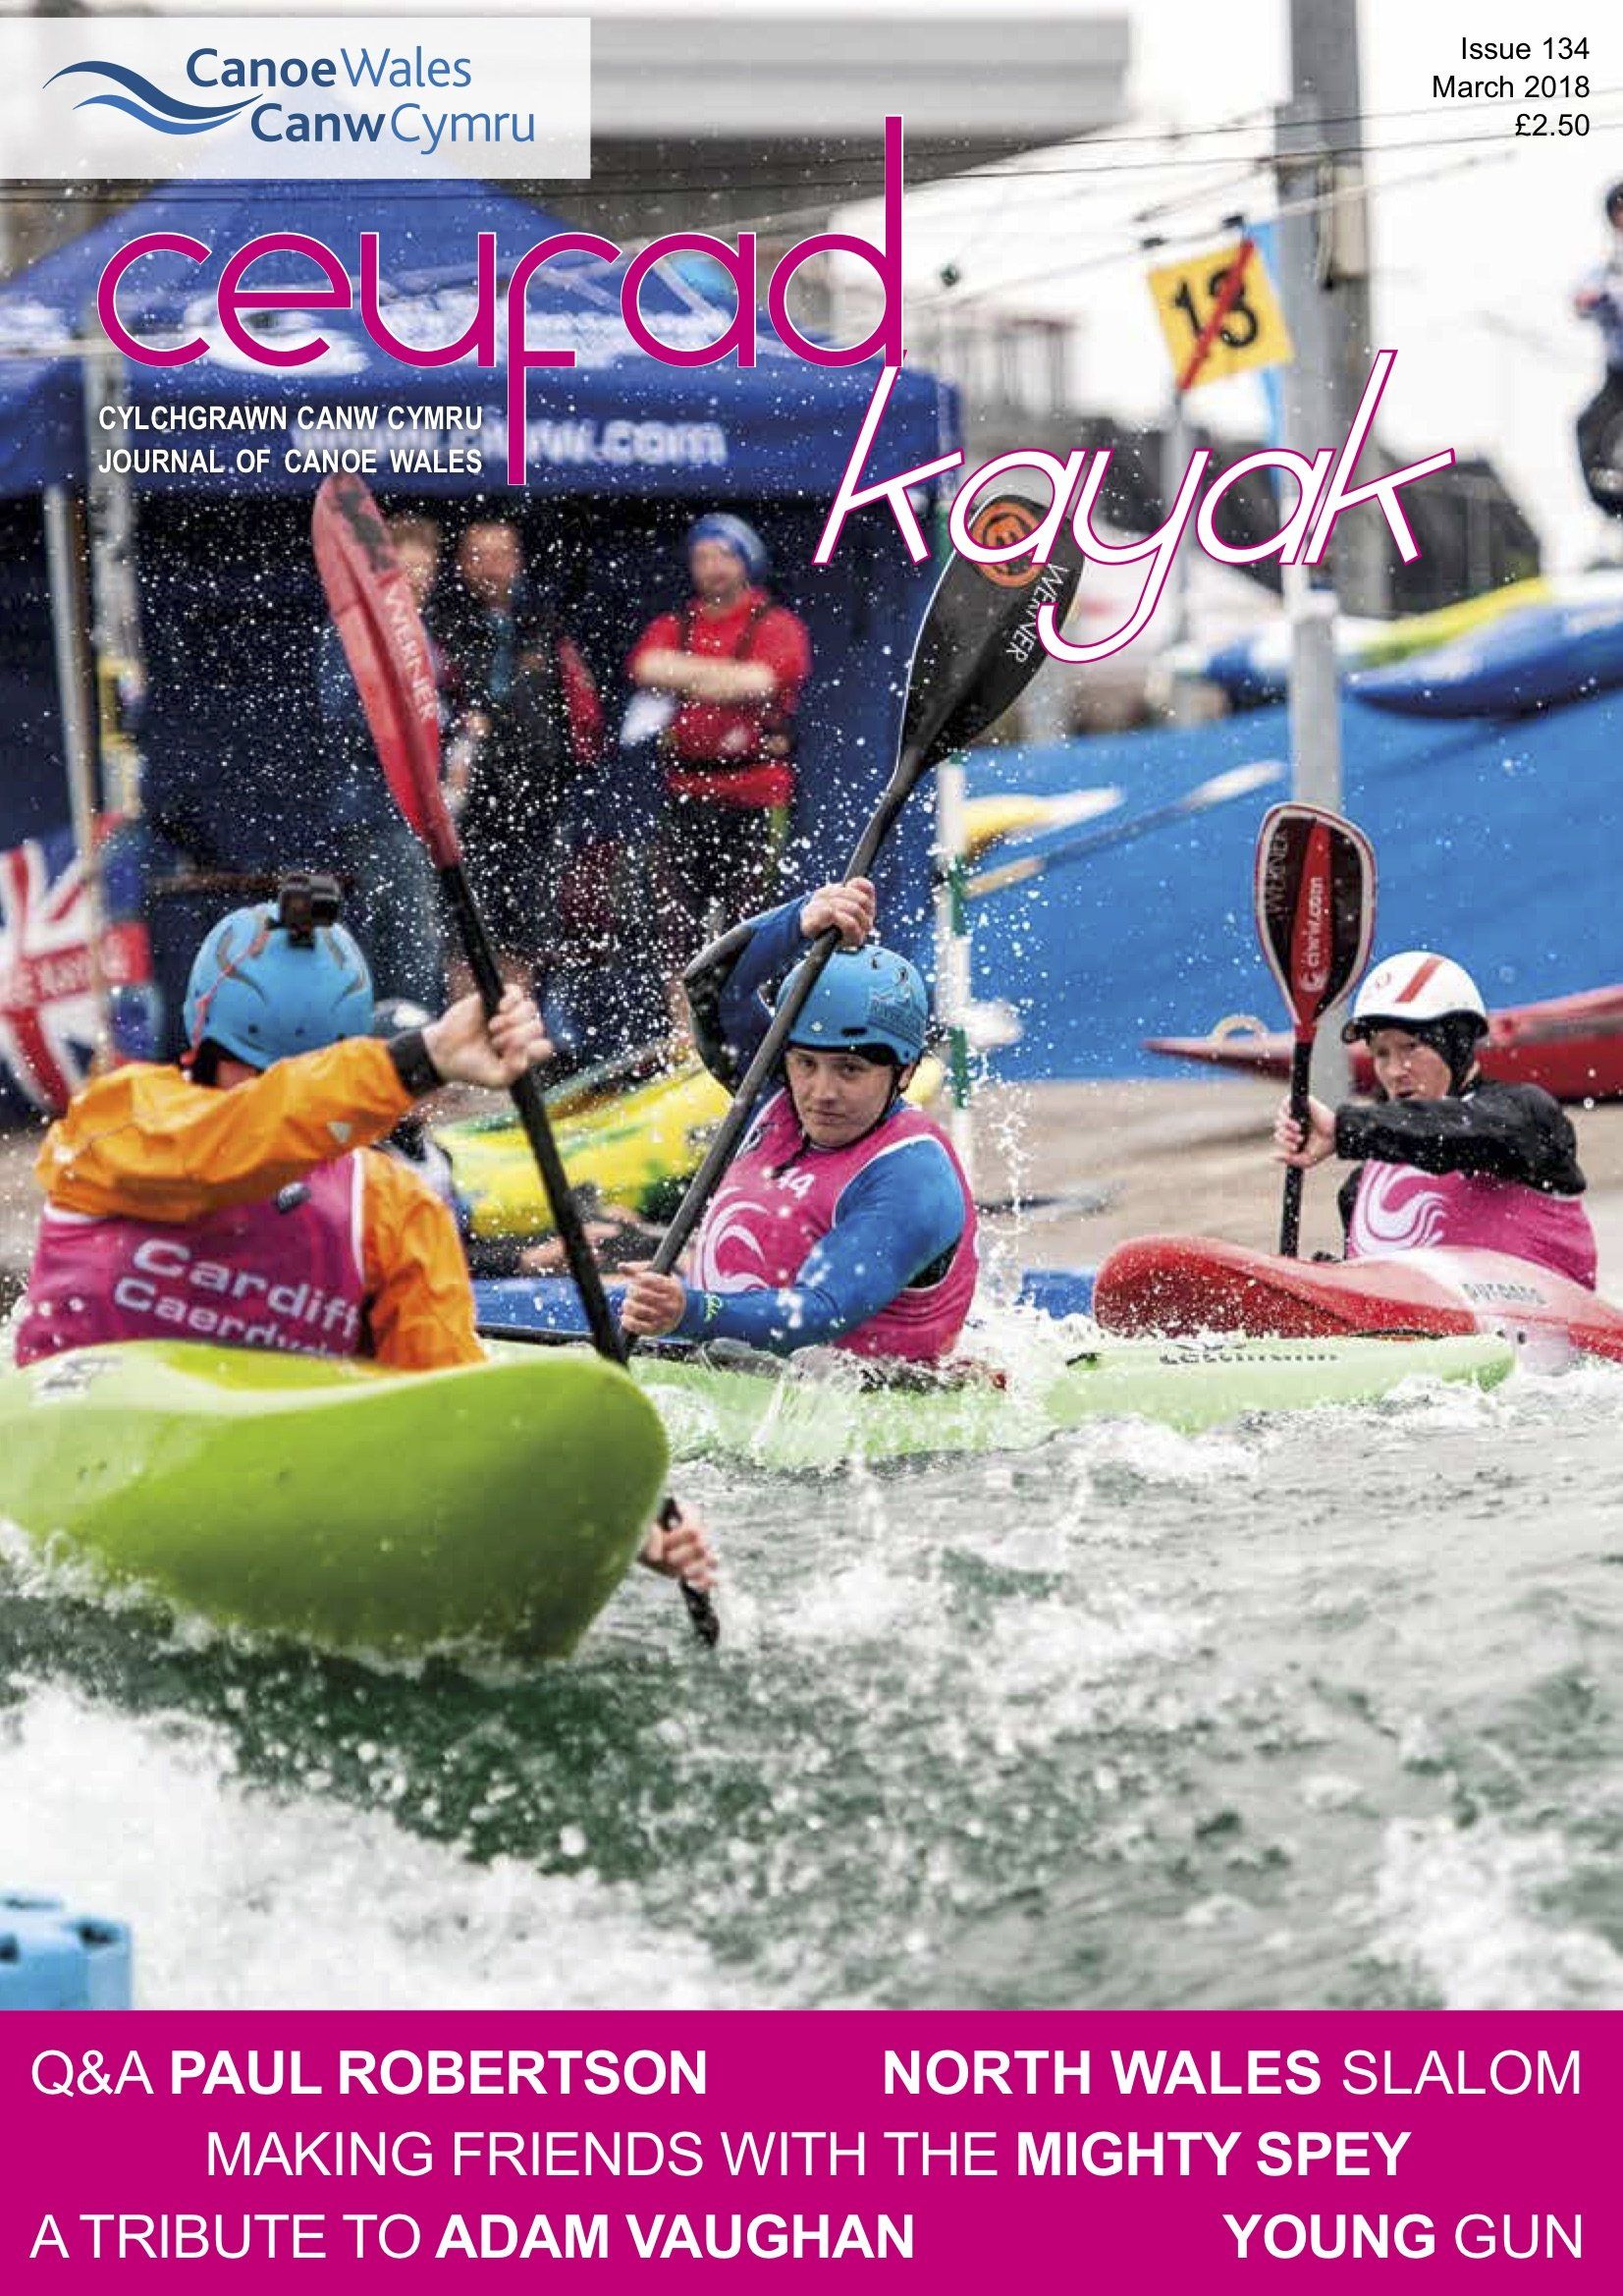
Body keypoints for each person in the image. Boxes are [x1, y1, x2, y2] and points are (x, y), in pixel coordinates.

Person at [15, 874, 713, 1592]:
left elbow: (450, 1410)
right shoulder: (121, 1119)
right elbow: (231, 1146)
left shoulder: (392, 1208)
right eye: (242, 1073)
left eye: (287, 1075)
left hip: (264, 1489)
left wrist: (598, 1516)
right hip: (77, 1439)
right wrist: (422, 1059)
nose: (258, 1094)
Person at [620, 877, 978, 1360]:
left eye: (850, 1070)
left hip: (861, 1412)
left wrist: (690, 1312)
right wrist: (799, 919)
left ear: (905, 1071)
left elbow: (821, 1311)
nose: (821, 1093)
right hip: (743, 1376)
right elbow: (710, 989)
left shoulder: (910, 1172)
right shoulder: (773, 1092)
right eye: (806, 1063)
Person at [1271, 949, 1596, 1289]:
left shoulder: (1526, 1118)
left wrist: (1345, 1128)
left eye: (1410, 1047)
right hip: (1413, 1336)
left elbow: (1460, 1132)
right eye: (1381, 1053)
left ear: (1457, 1043)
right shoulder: (1359, 1190)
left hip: (1540, 1334)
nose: (1395, 1071)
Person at [627, 514, 812, 957]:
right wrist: (722, 680)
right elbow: (645, 668)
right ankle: (683, 1024)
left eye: (723, 555)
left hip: (756, 793)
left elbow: (759, 681)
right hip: (686, 792)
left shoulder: (777, 623)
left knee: (750, 920)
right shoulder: (676, 624)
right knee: (674, 923)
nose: (712, 567)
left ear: (747, 562)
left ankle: (742, 1020)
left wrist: (685, 676)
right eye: (701, 557)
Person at [441, 520, 604, 990]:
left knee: (525, 928)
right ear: (461, 564)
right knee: (466, 928)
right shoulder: (444, 624)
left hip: (535, 798)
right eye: (479, 555)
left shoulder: (543, 624)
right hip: (468, 802)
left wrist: (559, 770)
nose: (491, 567)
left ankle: (514, 1046)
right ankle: (468, 1042)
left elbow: (577, 712)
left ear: (518, 561)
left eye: (501, 554)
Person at [314, 514, 447, 1005]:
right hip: (376, 809)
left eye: (426, 573)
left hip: (418, 813)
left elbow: (436, 715)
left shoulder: (421, 632)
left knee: (420, 938)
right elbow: (345, 712)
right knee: (402, 940)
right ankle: (393, 1049)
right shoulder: (354, 628)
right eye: (408, 573)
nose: (419, 584)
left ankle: (413, 1047)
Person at [1574, 181, 1623, 516]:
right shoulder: (1608, 269)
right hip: (1619, 372)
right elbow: (1581, 300)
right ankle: (1610, 495)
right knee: (1589, 424)